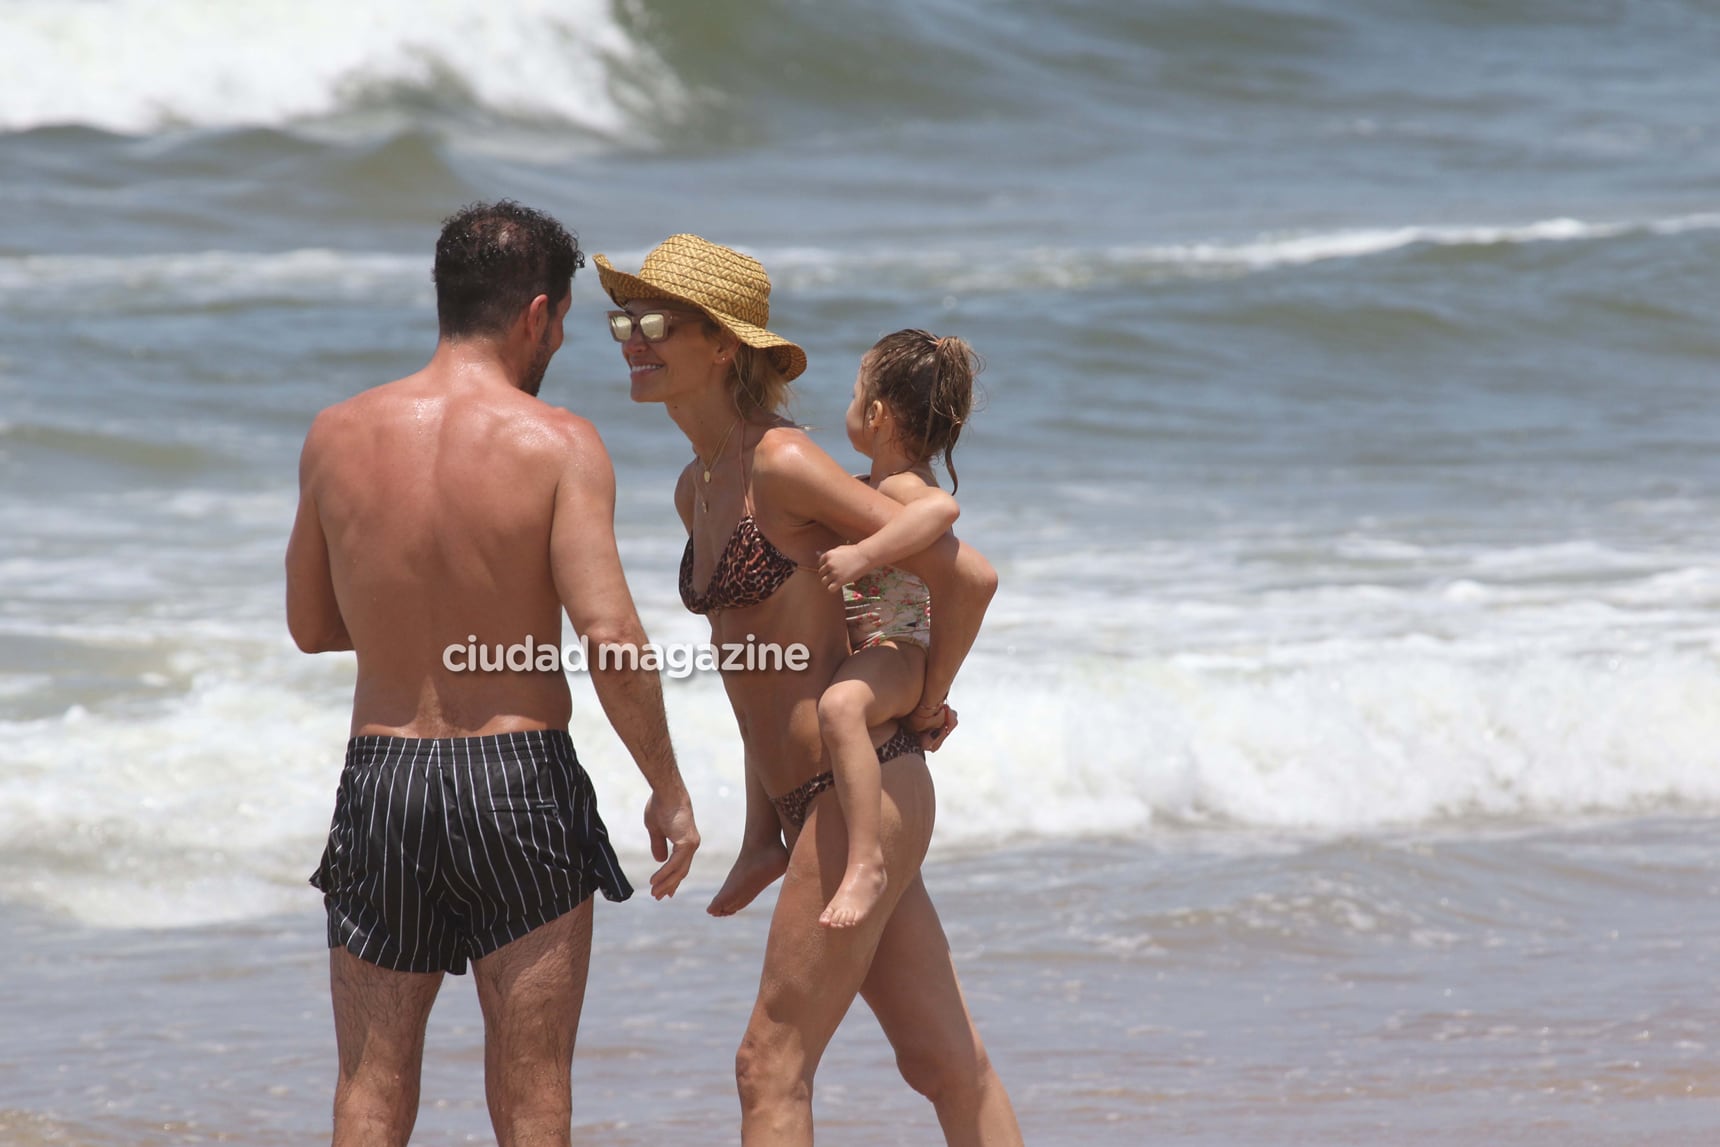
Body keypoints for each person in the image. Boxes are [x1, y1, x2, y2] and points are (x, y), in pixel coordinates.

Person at [285, 200, 700, 1147]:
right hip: (518, 783)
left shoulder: (335, 434)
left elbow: (310, 625)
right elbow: (610, 635)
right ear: (537, 315)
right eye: (562, 325)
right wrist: (666, 787)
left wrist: (414, 633)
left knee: (370, 1086)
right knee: (532, 1092)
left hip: (384, 779)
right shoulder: (557, 441)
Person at [596, 233, 1023, 1145]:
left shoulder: (782, 463)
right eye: (624, 318)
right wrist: (760, 826)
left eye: (657, 320)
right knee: (946, 1062)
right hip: (803, 802)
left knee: (768, 1063)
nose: (633, 336)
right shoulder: (693, 486)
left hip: (863, 779)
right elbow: (756, 670)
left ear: (724, 347)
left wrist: (927, 690)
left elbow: (962, 568)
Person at [804, 331, 981, 928]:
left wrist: (865, 555)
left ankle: (866, 864)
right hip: (872, 646)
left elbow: (942, 511)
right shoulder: (864, 488)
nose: (849, 405)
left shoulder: (904, 485)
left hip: (898, 646)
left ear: (875, 414)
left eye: (855, 394)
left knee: (841, 708)